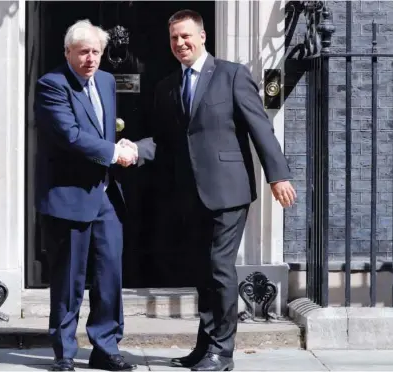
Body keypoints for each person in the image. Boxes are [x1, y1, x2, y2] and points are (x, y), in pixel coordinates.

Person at [126, 9, 297, 371]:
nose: (180, 43)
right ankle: (205, 346)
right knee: (202, 270)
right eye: (174, 38)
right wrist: (135, 150)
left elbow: (259, 127)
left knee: (219, 267)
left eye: (186, 36)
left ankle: (223, 352)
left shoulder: (231, 75)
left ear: (203, 37)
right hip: (189, 194)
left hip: (228, 191)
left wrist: (277, 175)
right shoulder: (167, 86)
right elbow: (165, 142)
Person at [34, 19, 138, 372]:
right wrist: (113, 151)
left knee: (109, 274)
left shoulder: (107, 81)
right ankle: (64, 354)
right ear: (68, 53)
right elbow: (71, 135)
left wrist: (119, 146)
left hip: (105, 196)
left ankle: (105, 347)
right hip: (68, 197)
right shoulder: (52, 84)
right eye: (83, 52)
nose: (91, 59)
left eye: (96, 51)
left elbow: (102, 129)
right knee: (68, 280)